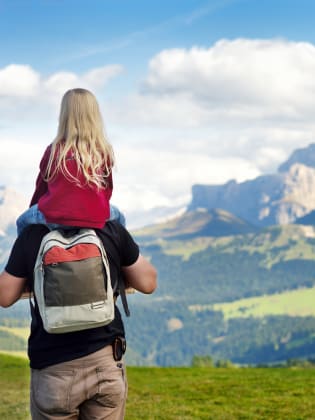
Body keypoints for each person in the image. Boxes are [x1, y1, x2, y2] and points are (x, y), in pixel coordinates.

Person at [0, 221, 157, 419]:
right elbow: (148, 283)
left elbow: (4, 297)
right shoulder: (110, 230)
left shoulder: (32, 236)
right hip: (105, 362)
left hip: (53, 368)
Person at [16, 87, 124, 235]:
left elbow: (40, 190)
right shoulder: (103, 151)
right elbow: (107, 190)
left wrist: (36, 209)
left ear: (64, 116)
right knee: (120, 218)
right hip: (95, 216)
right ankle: (124, 254)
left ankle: (25, 256)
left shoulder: (53, 150)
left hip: (55, 217)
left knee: (21, 222)